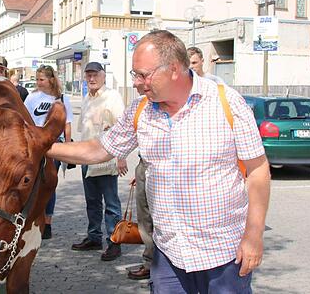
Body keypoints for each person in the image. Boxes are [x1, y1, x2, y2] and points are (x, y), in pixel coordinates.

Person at [48, 30, 270, 292]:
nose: (137, 83)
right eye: (135, 75)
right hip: (168, 254)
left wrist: (253, 236)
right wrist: (40, 146)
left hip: (223, 255)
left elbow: (257, 171)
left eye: (143, 74)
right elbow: (99, 150)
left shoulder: (226, 103)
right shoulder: (141, 110)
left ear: (174, 69)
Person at [71, 62, 127, 261]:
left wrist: (121, 156)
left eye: (95, 75)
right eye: (88, 75)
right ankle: (94, 237)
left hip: (106, 157)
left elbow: (122, 127)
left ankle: (115, 242)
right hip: (87, 158)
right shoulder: (87, 98)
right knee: (92, 201)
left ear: (104, 76)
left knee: (111, 203)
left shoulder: (112, 97)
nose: (91, 79)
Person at [24, 64, 73, 239]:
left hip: (55, 144)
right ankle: (32, 219)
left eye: (41, 79)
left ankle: (48, 222)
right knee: (32, 182)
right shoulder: (31, 98)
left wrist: (68, 145)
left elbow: (67, 123)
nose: (38, 83)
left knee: (49, 183)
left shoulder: (61, 98)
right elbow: (25, 120)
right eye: (36, 79)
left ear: (51, 79)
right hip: (35, 144)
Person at [128, 82, 155, 281]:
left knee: (160, 219)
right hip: (143, 165)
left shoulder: (215, 93)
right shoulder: (140, 106)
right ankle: (150, 262)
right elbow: (109, 144)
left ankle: (161, 265)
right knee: (144, 219)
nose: (136, 82)